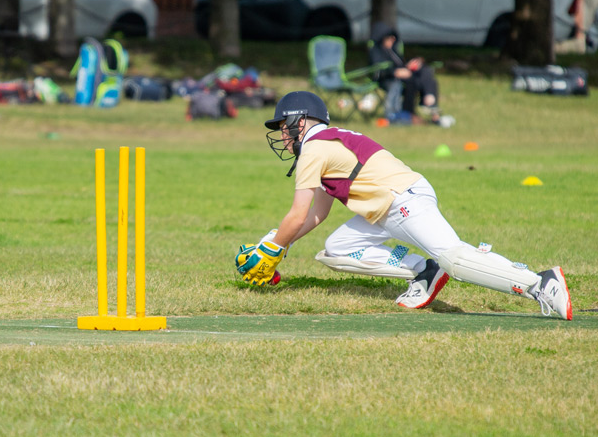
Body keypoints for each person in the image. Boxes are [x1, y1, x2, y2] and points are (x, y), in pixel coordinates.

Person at [235, 90, 572, 320]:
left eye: (283, 126)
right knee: (338, 249)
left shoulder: (314, 148)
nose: (282, 135)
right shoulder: (324, 142)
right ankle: (424, 271)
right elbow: (316, 215)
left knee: (453, 257)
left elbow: (297, 213)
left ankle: (540, 283)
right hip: (386, 208)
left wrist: (272, 251)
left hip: (401, 200)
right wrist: (274, 244)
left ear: (301, 121)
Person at [368, 21, 445, 126]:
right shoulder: (377, 51)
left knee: (425, 71)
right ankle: (428, 104)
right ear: (382, 38)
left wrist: (409, 66)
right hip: (389, 78)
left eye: (393, 38)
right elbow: (378, 69)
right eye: (389, 38)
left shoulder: (393, 50)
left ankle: (429, 99)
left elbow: (400, 64)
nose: (392, 40)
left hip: (404, 76)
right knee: (413, 81)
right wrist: (395, 72)